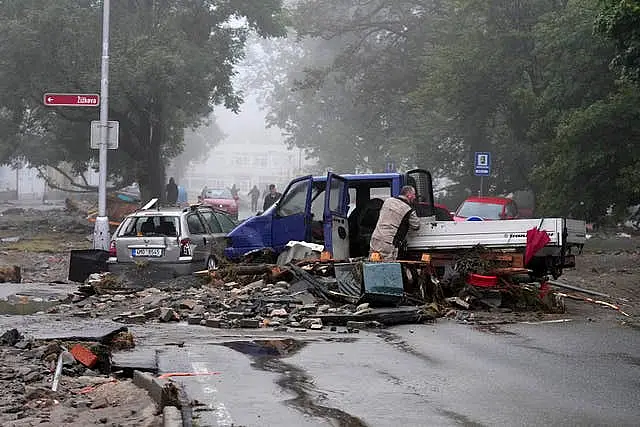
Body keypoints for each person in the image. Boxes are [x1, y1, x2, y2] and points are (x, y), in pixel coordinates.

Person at [369, 185, 420, 261]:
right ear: (409, 195)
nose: (415, 197)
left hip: (375, 239)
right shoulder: (408, 209)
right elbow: (416, 226)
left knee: (372, 264)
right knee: (387, 267)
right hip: (388, 242)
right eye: (414, 194)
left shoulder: (388, 201)